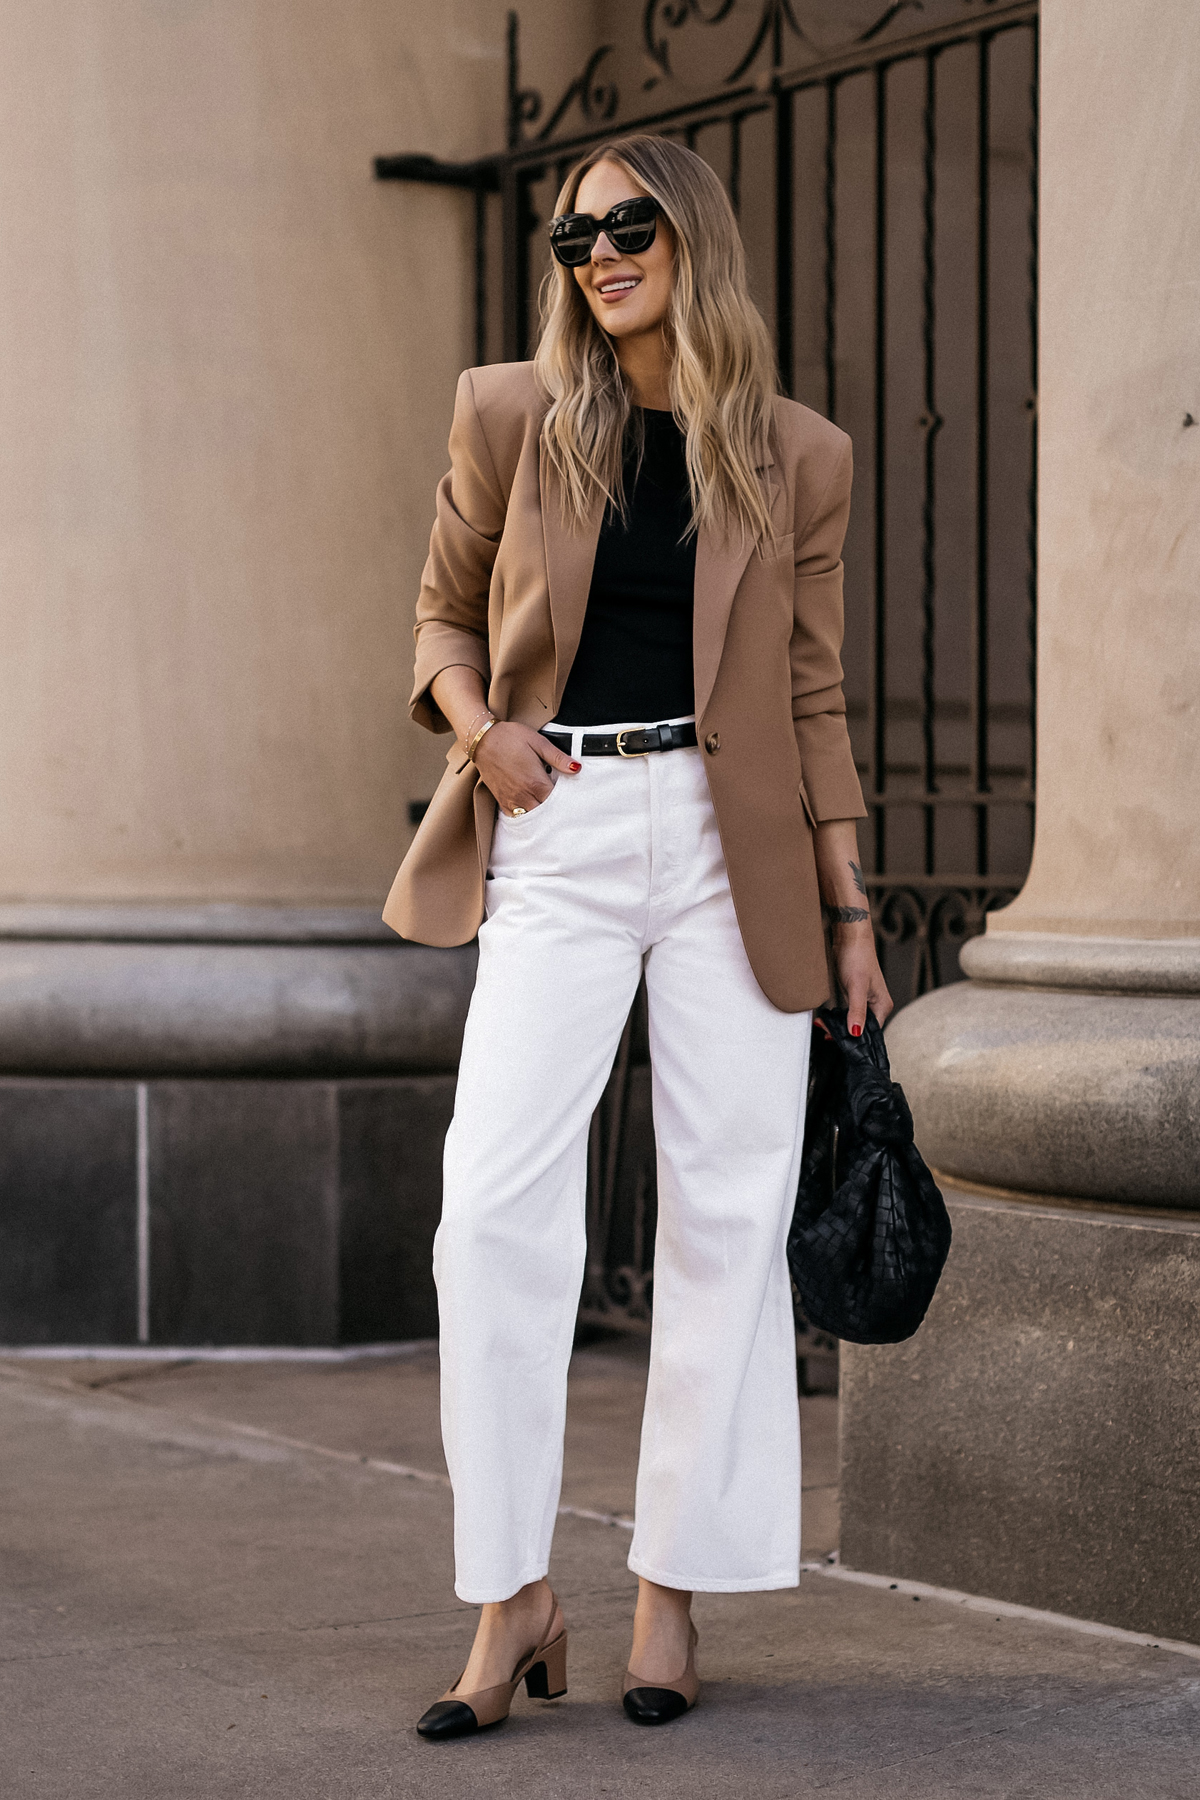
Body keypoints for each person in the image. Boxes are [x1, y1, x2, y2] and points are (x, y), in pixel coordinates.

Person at [383, 133, 892, 1739]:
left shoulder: (797, 455)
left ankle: (670, 1593)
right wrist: (480, 736)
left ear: (693, 237)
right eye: (574, 235)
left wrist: (854, 904)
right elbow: (441, 611)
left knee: (726, 1216)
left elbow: (809, 692)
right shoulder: (511, 415)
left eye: (629, 226)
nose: (597, 255)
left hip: (730, 846)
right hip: (562, 825)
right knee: (490, 1207)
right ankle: (509, 1589)